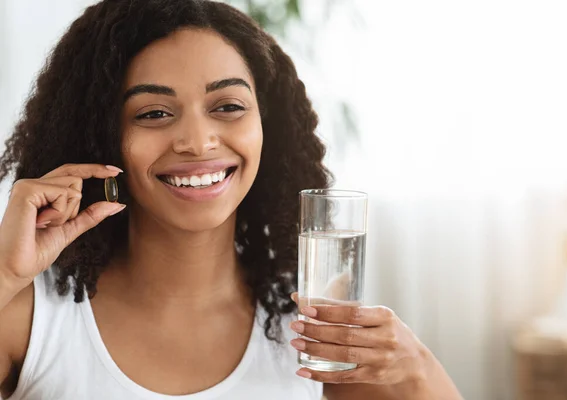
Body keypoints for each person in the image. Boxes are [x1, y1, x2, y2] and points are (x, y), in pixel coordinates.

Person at [0, 1, 462, 399]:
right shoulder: (33, 319)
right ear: (102, 138)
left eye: (228, 107)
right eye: (154, 113)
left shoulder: (312, 333)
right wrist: (3, 274)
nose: (198, 142)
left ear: (267, 128)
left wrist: (415, 368)